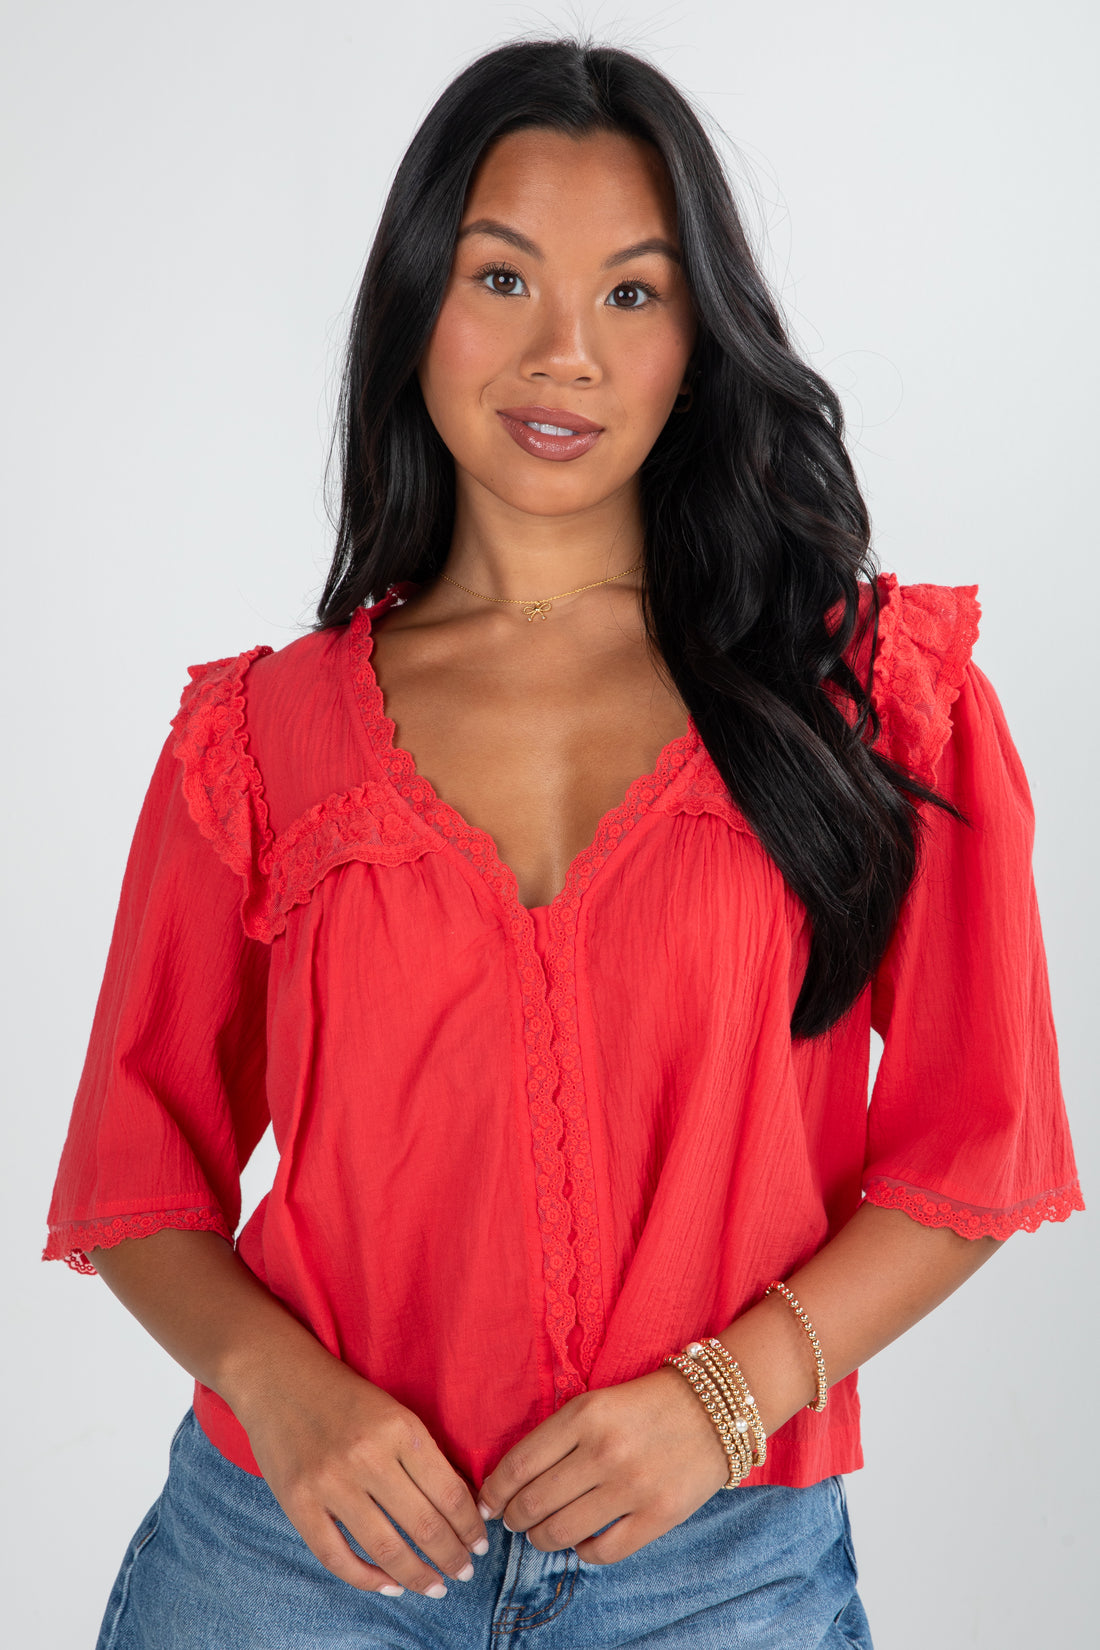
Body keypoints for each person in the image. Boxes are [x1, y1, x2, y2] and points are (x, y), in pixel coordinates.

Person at [44, 36, 1083, 1650]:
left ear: (698, 340)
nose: (565, 356)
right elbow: (138, 1174)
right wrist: (281, 1386)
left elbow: (974, 1151)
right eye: (504, 277)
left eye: (633, 293)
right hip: (290, 1559)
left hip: (720, 1566)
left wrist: (724, 1401)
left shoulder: (871, 695)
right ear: (415, 309)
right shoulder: (260, 739)